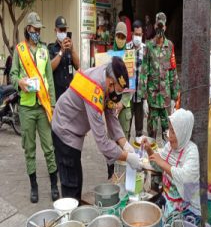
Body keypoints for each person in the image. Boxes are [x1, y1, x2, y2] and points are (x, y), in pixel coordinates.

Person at [51, 56, 142, 200]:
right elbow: (102, 142)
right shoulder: (94, 90)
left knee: (76, 180)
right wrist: (128, 157)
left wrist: (125, 143)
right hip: (65, 129)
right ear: (110, 83)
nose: (117, 95)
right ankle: (69, 217)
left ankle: (74, 212)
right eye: (118, 91)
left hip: (74, 129)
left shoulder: (107, 75)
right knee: (71, 184)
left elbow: (111, 114)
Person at [10, 12, 59, 203]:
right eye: (34, 29)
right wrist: (19, 83)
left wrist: (53, 104)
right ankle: (34, 186)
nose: (37, 32)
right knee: (29, 149)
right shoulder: (19, 50)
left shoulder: (44, 51)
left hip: (43, 106)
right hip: (27, 107)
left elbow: (50, 80)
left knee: (49, 147)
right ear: (28, 29)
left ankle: (54, 185)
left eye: (39, 29)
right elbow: (12, 75)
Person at [141, 108, 201, 224]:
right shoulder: (169, 147)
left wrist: (163, 163)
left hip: (185, 205)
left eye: (174, 132)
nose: (169, 136)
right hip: (167, 198)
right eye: (170, 130)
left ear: (182, 132)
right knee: (148, 217)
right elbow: (158, 165)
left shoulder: (191, 152)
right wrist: (149, 150)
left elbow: (185, 178)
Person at [139, 12, 180, 140]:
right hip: (152, 101)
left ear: (165, 28)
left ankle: (166, 160)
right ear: (155, 25)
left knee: (168, 136)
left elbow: (173, 73)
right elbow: (144, 73)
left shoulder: (170, 46)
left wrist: (174, 98)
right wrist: (144, 99)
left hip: (166, 101)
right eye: (158, 26)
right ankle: (152, 160)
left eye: (162, 27)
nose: (160, 29)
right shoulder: (149, 47)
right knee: (151, 136)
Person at [48, 16, 80, 100]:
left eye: (64, 30)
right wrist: (61, 51)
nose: (63, 32)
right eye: (60, 30)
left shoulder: (69, 48)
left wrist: (72, 49)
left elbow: (77, 66)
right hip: (57, 94)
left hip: (69, 94)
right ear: (55, 30)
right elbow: (49, 68)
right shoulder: (51, 48)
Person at [112, 22, 133, 140]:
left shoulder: (130, 57)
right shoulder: (108, 56)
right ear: (115, 36)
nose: (120, 39)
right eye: (118, 36)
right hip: (111, 106)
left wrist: (122, 103)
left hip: (125, 107)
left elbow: (131, 84)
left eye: (123, 37)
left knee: (123, 141)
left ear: (126, 38)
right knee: (112, 141)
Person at [126, 20, 146, 138]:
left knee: (139, 130)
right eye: (136, 34)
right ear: (132, 33)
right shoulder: (126, 48)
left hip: (140, 96)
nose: (137, 37)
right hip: (127, 96)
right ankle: (126, 154)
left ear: (142, 35)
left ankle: (139, 154)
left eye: (140, 35)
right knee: (126, 128)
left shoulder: (146, 50)